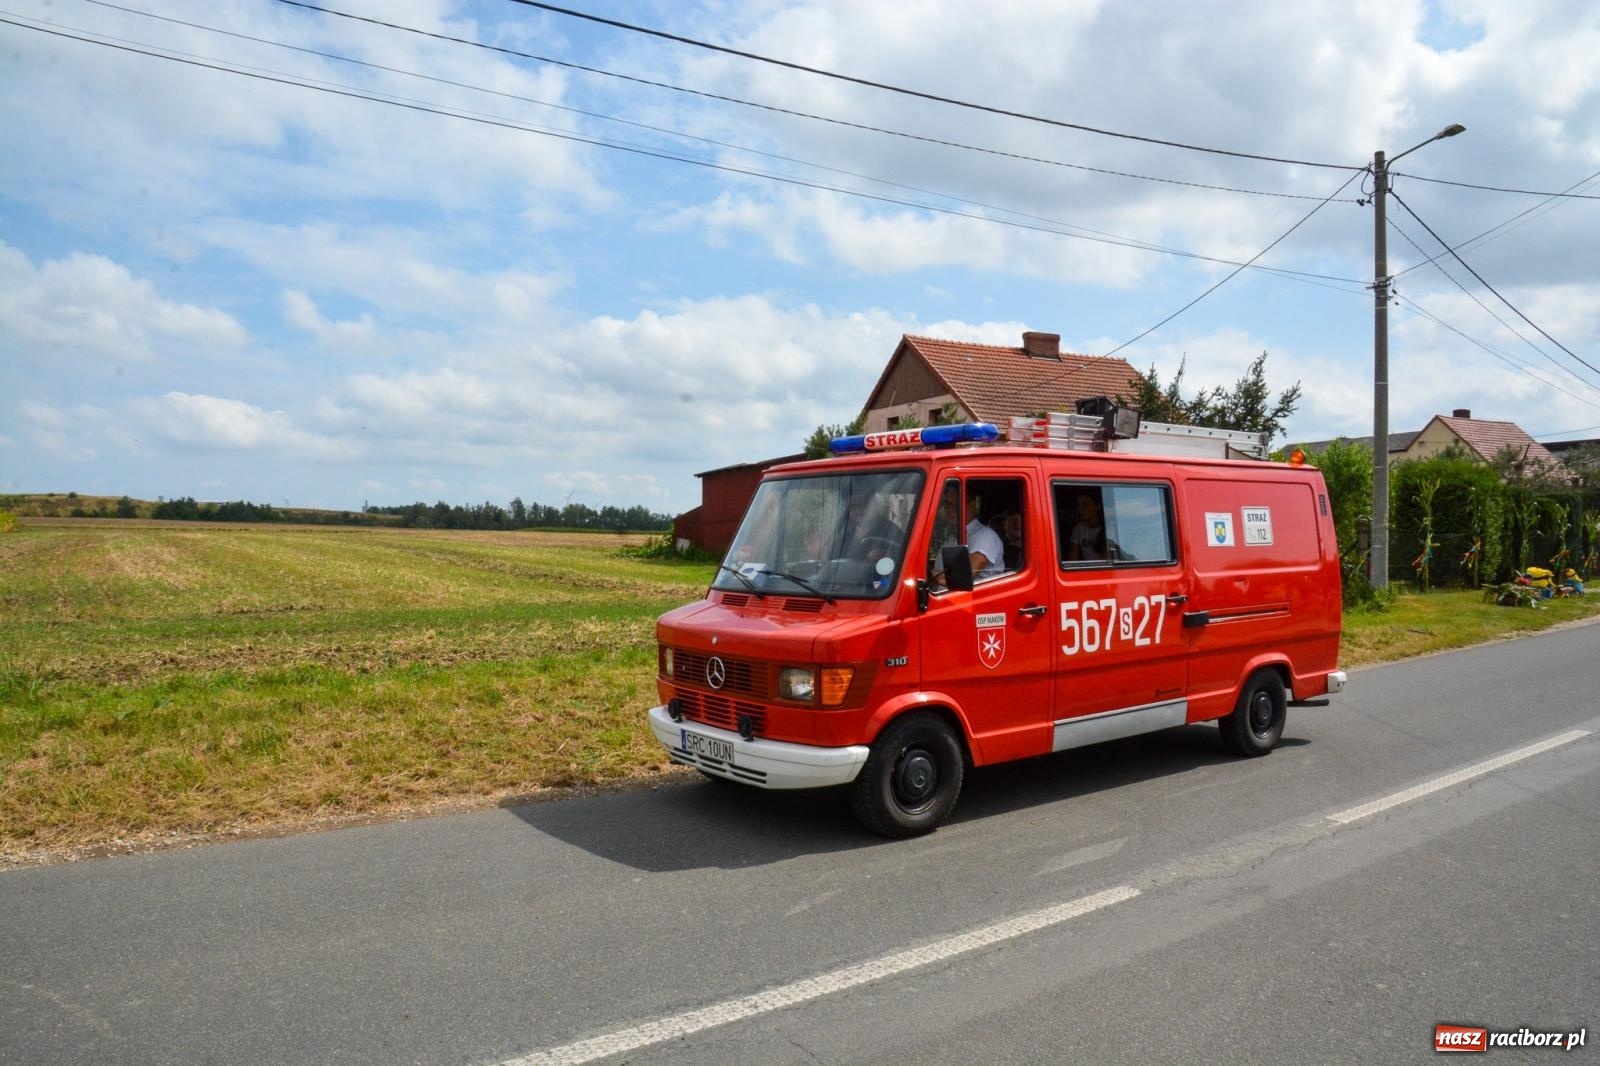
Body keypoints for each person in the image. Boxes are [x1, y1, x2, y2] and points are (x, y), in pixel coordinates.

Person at [935, 492, 1005, 582]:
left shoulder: (986, 536)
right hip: (945, 595)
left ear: (972, 505)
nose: (950, 509)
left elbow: (962, 577)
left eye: (956, 504)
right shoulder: (951, 539)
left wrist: (928, 575)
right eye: (947, 504)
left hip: (979, 596)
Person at [1068, 493, 1106, 562]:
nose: (1079, 509)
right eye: (1078, 505)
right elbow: (1073, 561)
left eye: (1085, 504)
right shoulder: (1078, 528)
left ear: (1097, 507)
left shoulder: (1109, 528)